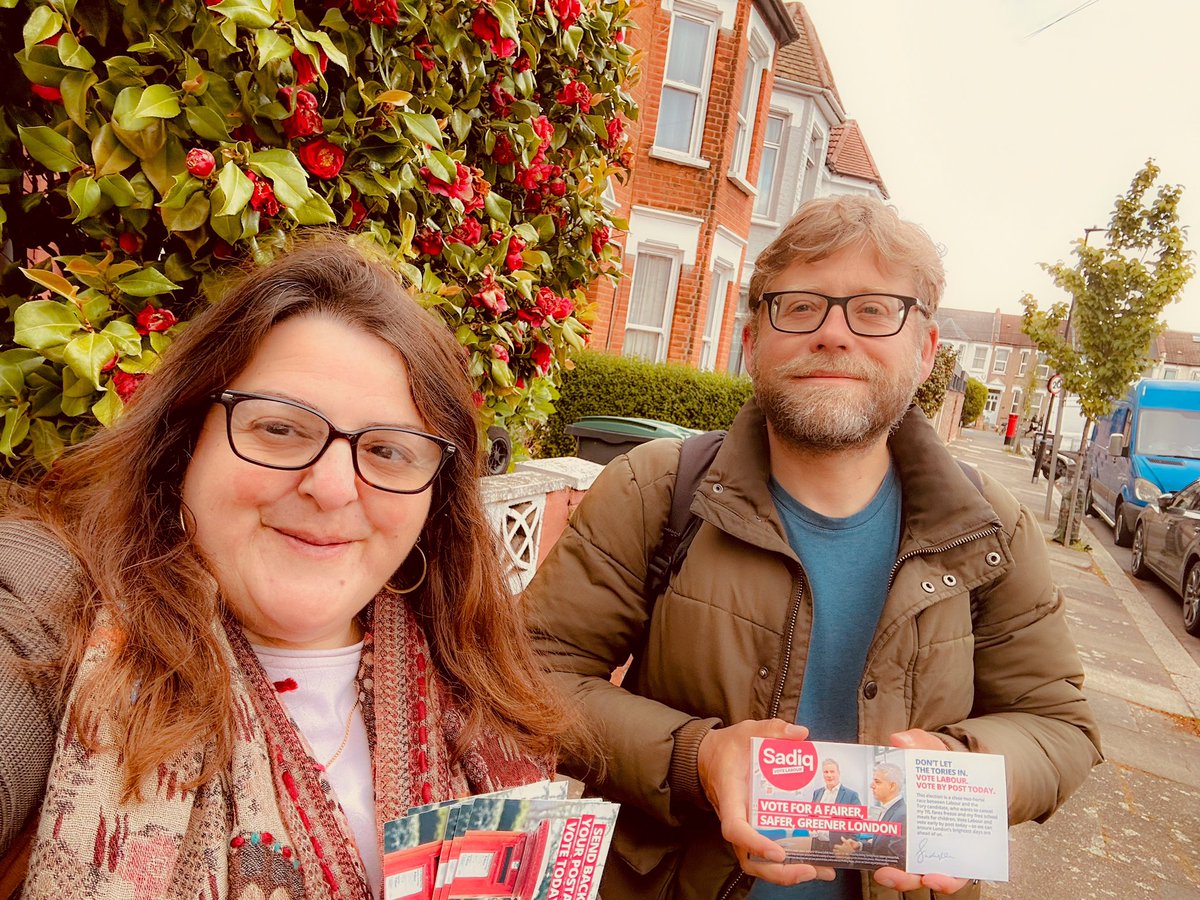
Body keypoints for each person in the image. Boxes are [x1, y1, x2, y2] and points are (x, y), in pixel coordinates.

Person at [527, 195, 1102, 900]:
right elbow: (532, 678)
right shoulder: (655, 491)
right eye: (799, 306)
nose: (833, 334)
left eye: (872, 309)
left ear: (925, 351)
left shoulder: (989, 530)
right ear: (751, 340)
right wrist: (696, 757)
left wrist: (960, 769)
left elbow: (1059, 727)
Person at [0, 236, 570, 899]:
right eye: (280, 429)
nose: (331, 487)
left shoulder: (475, 680)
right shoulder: (56, 604)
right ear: (186, 440)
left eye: (387, 450)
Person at [837, 764, 905, 864]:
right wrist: (859, 845)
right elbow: (880, 847)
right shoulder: (888, 810)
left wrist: (851, 854)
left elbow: (892, 860)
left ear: (892, 786)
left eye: (877, 782)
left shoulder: (902, 816)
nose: (871, 785)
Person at [809, 760, 860, 852]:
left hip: (838, 847)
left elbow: (856, 824)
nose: (829, 775)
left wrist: (849, 846)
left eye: (832, 771)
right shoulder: (817, 793)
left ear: (838, 773)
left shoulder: (851, 795)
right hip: (817, 845)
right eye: (826, 772)